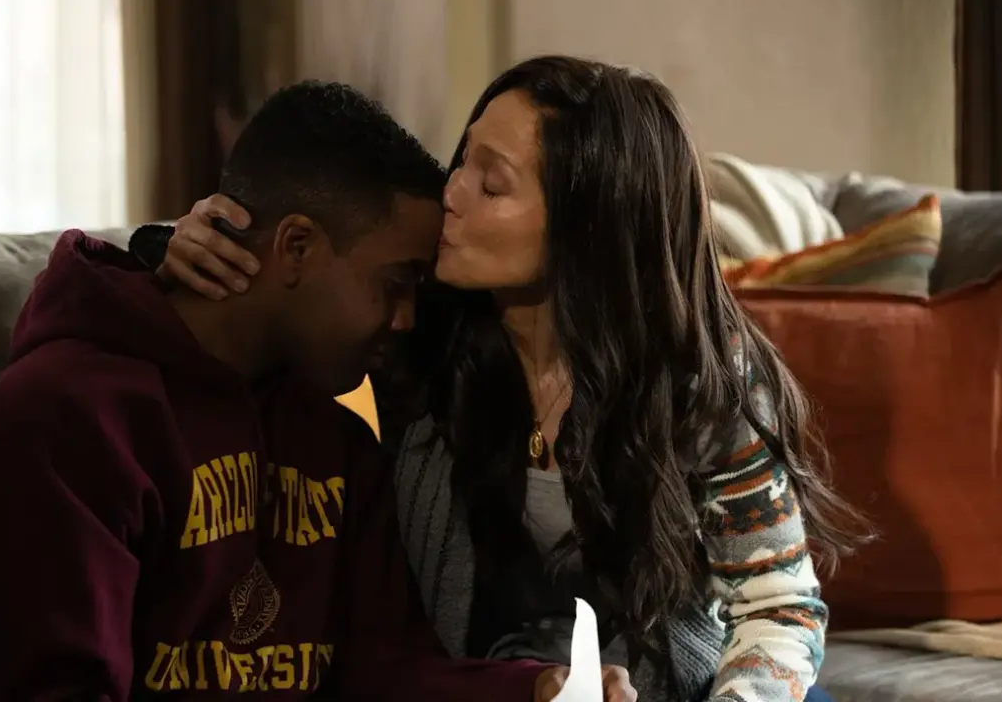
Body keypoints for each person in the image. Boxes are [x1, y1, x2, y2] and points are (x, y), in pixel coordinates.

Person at [148, 57, 867, 702]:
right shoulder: (419, 331)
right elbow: (273, 323)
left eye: (491, 184)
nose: (451, 192)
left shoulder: (696, 375)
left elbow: (778, 607)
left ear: (587, 227)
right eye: (462, 160)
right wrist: (173, 253)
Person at [0, 81, 635, 701]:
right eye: (395, 284)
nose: (407, 319)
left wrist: (532, 691)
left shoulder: (335, 435)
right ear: (295, 248)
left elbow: (380, 667)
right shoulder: (53, 427)